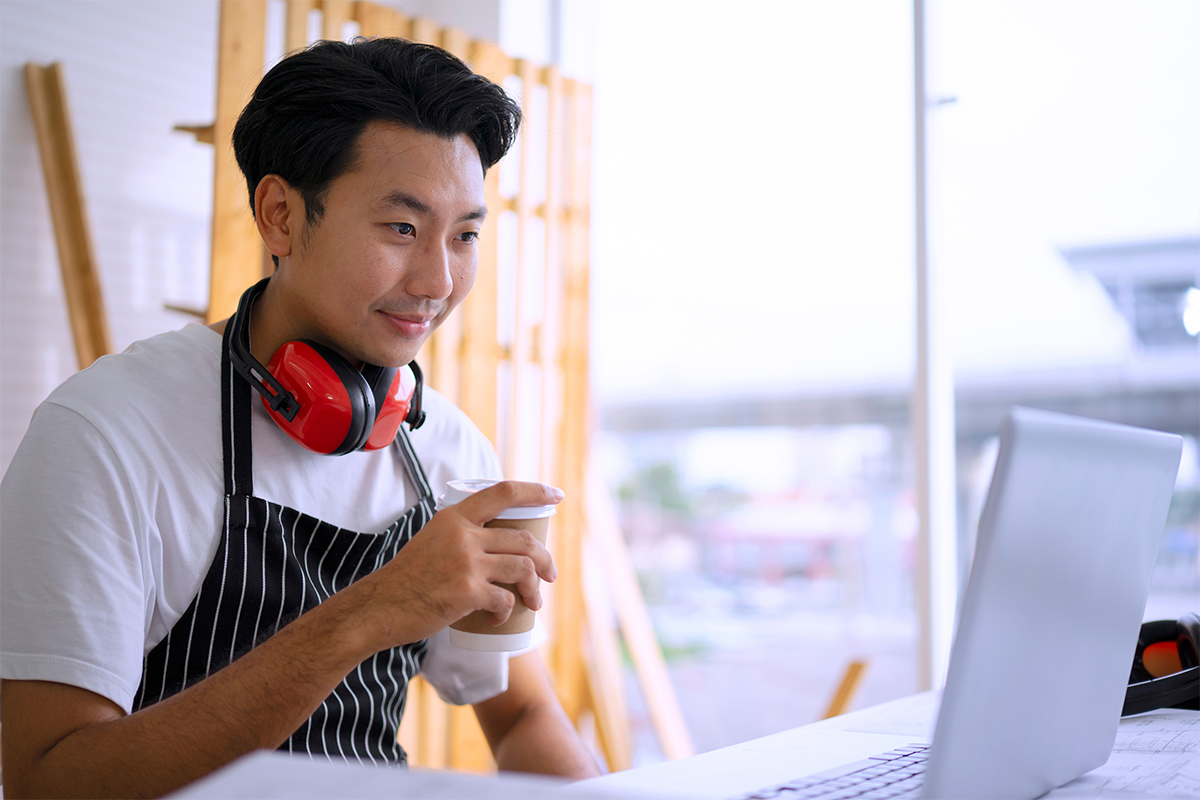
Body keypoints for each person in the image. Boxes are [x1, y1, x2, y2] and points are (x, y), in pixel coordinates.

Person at [0, 37, 599, 797]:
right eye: (402, 228)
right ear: (279, 216)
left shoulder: (448, 450)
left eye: (466, 235)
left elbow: (521, 718)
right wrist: (373, 610)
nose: (438, 280)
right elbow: (48, 781)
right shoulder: (104, 434)